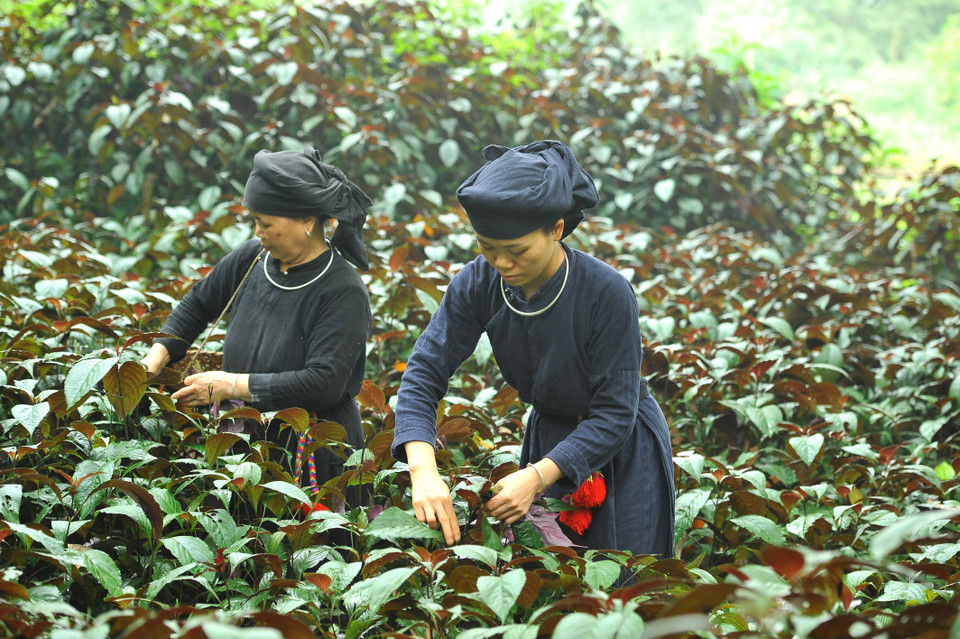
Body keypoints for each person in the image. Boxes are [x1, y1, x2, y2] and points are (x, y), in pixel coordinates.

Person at [391, 140, 675, 556]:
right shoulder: (478, 282)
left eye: (517, 250)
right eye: (487, 248)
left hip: (620, 448)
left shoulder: (606, 292)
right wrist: (423, 469)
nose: (502, 264)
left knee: (624, 583)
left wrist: (537, 477)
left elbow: (616, 412)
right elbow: (423, 373)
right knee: (549, 585)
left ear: (556, 230)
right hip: (548, 439)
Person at [141, 146, 373, 499]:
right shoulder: (253, 257)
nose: (258, 231)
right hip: (246, 444)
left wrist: (231, 385)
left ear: (307, 221)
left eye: (266, 223)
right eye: (254, 221)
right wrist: (153, 360)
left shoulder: (343, 290)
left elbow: (323, 382)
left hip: (315, 456)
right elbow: (197, 305)